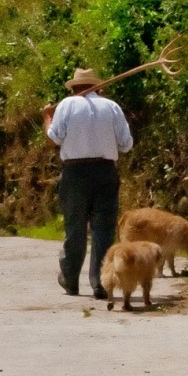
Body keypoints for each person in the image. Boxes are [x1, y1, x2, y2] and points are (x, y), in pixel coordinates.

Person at [41, 68, 134, 299]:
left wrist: (47, 118)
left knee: (75, 228)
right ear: (98, 87)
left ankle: (70, 280)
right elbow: (126, 145)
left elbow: (54, 138)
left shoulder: (66, 105)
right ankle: (101, 284)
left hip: (75, 174)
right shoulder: (111, 107)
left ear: (74, 88)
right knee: (103, 230)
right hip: (105, 172)